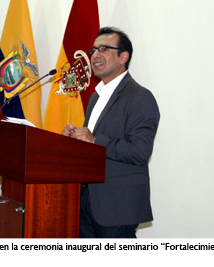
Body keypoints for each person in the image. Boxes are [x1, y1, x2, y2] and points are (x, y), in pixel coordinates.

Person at [62, 27, 160, 238]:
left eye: (104, 49)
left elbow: (140, 151)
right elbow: (92, 148)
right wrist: (74, 140)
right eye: (94, 49)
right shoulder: (97, 97)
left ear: (123, 56)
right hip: (86, 201)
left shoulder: (139, 97)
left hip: (116, 205)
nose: (95, 54)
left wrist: (94, 139)